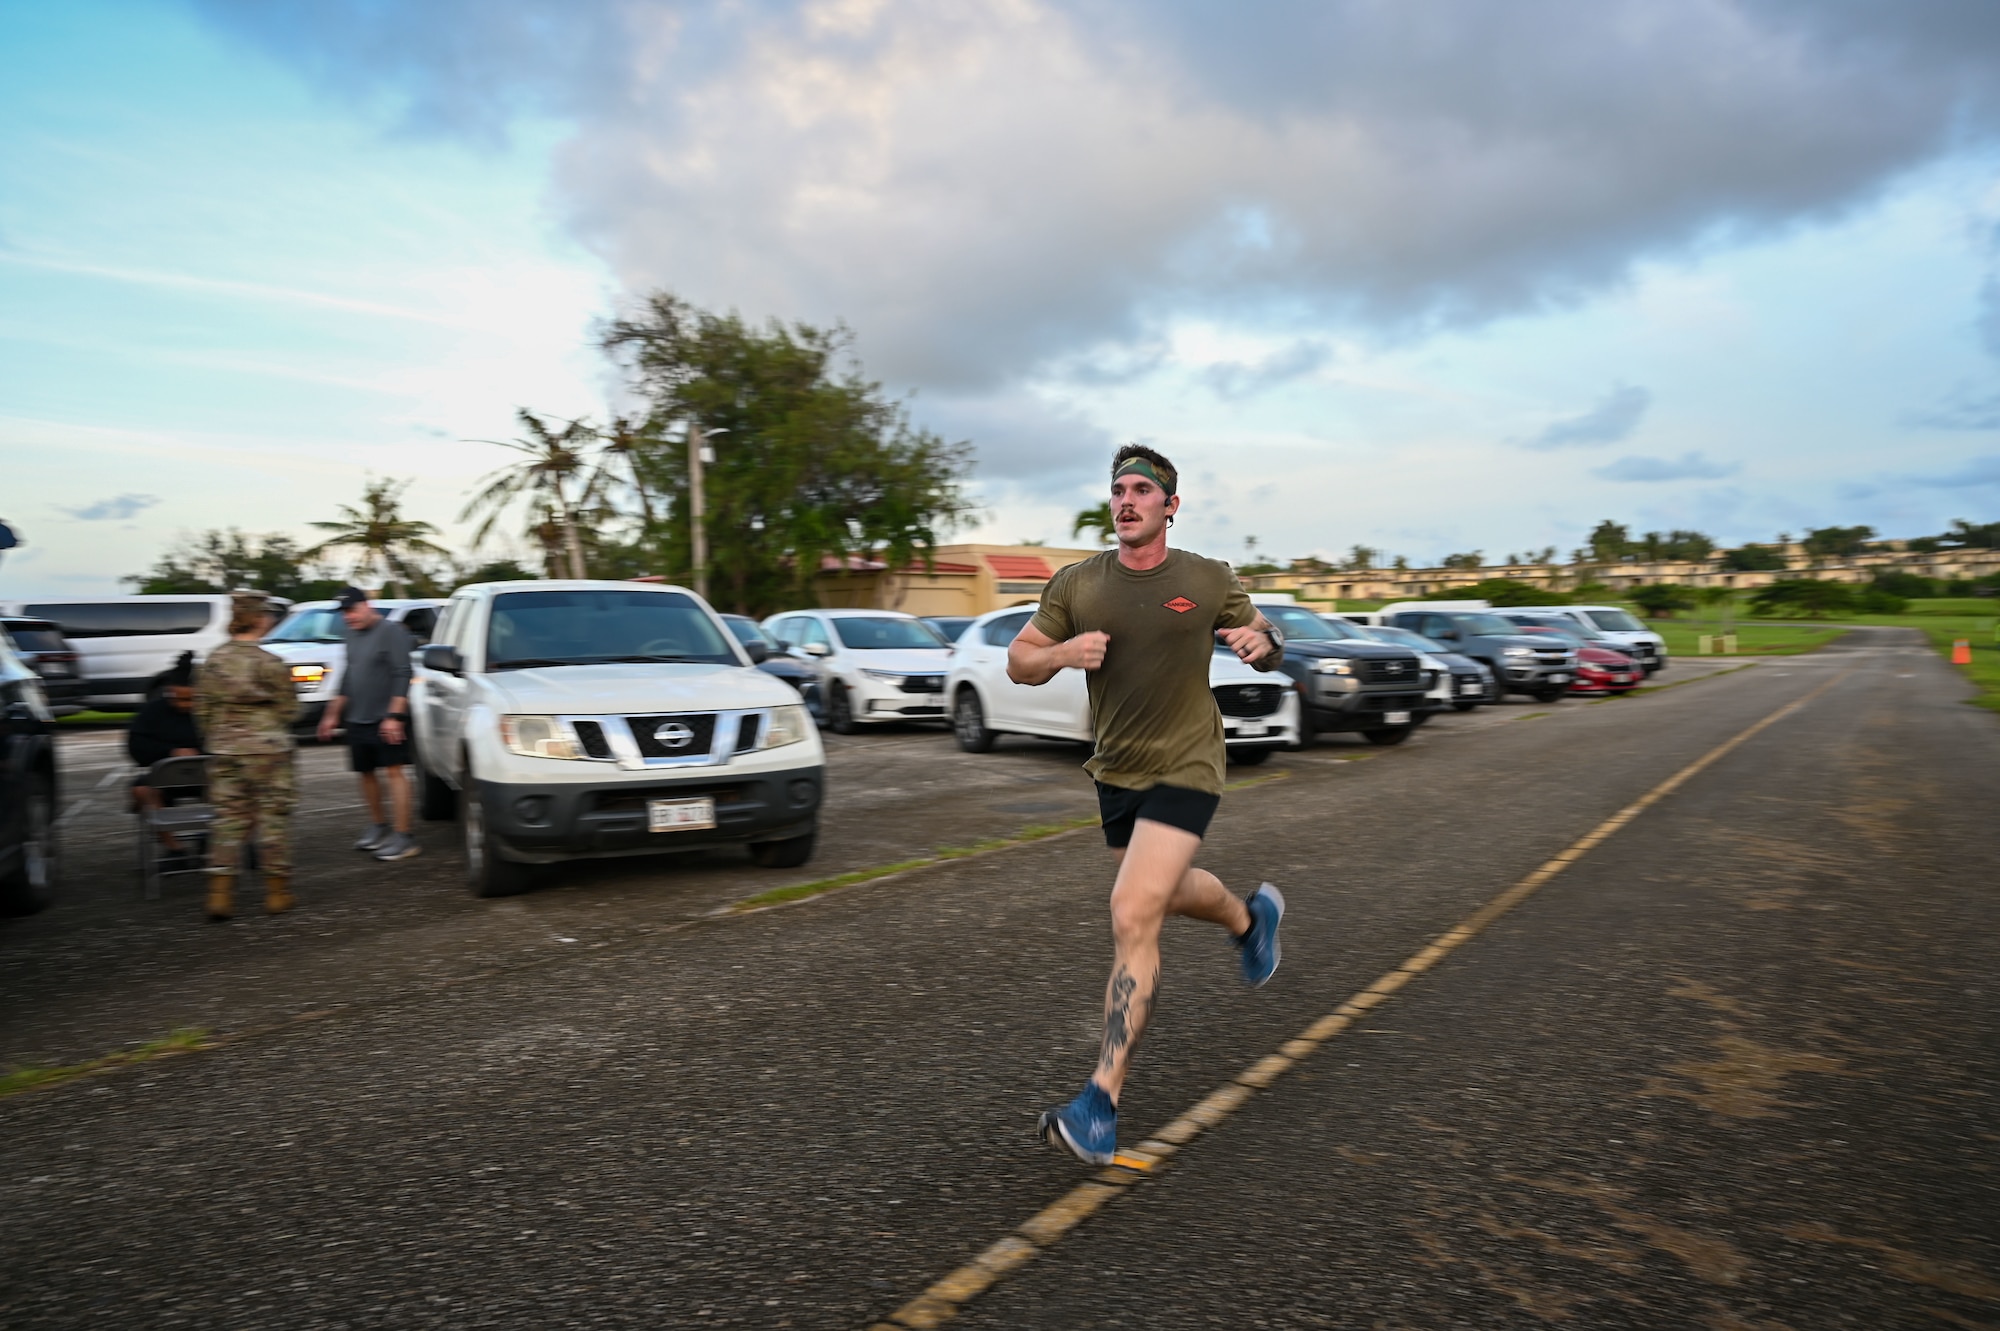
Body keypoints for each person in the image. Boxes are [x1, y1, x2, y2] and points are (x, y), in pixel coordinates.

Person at [1008, 444, 1288, 1165]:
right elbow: (1020, 659)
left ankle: (1100, 1101)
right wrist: (1062, 656)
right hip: (1116, 768)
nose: (1127, 500)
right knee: (1157, 894)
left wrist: (1264, 642)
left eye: (1142, 490)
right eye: (1118, 490)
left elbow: (1267, 642)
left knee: (1132, 909)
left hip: (1190, 761)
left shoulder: (1205, 576)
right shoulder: (1079, 584)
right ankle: (1247, 916)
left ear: (1170, 504)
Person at [194, 591, 297, 920]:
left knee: (227, 819)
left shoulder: (213, 661)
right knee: (272, 818)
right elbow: (290, 710)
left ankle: (219, 896)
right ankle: (276, 893)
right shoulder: (271, 663)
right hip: (268, 750)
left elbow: (202, 709)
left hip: (225, 747)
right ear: (260, 619)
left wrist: (219, 735)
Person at [316, 587, 420, 862]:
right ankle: (379, 826)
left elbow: (402, 673)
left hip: (386, 717)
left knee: (394, 771)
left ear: (366, 605)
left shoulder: (391, 631)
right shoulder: (350, 634)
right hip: (357, 717)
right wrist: (331, 714)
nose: (348, 617)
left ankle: (404, 836)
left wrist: (394, 716)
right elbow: (348, 675)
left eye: (351, 610)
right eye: (344, 613)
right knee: (365, 772)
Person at [128, 652, 204, 863]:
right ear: (169, 692)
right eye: (179, 698)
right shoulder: (152, 712)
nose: (184, 704)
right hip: (164, 778)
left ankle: (215, 840)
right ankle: (175, 849)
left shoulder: (210, 712)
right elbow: (136, 746)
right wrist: (172, 752)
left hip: (205, 776)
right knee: (141, 791)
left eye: (190, 699)